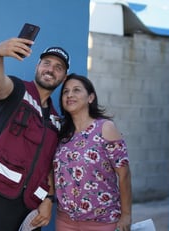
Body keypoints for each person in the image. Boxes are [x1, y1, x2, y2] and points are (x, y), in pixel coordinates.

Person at [0, 36, 70, 231]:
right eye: (47, 63)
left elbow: (50, 165)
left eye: (58, 67)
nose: (51, 69)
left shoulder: (56, 120)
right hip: (1, 194)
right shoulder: (18, 90)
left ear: (64, 78)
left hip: (32, 203)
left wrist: (49, 199)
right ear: (37, 66)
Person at [53, 73, 132, 231]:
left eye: (76, 90)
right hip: (65, 222)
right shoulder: (61, 134)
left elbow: (124, 174)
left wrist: (126, 215)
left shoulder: (105, 128)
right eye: (65, 92)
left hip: (102, 222)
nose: (70, 95)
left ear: (90, 97)